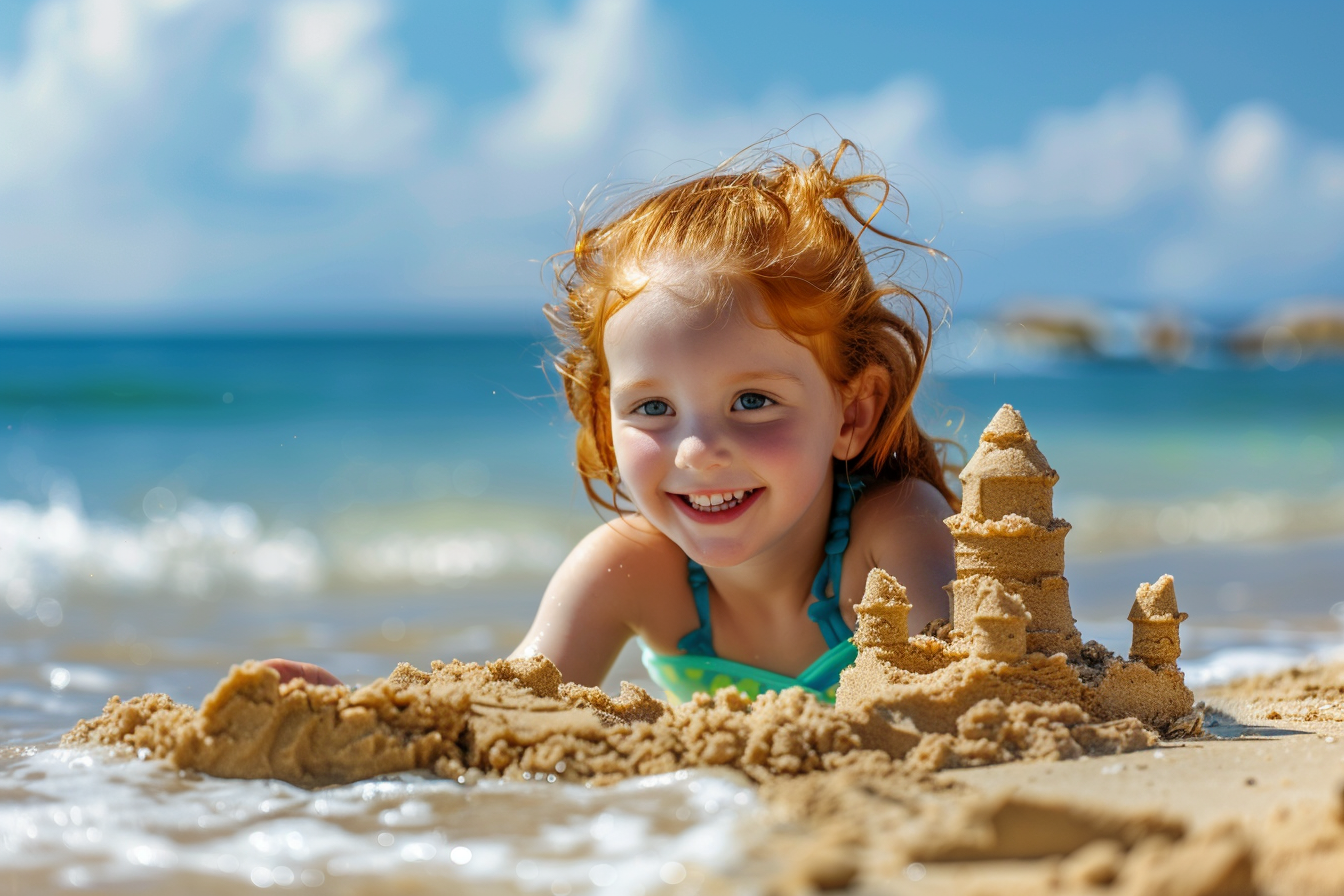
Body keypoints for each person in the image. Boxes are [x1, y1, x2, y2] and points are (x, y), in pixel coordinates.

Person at [267, 140, 959, 703]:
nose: (697, 449)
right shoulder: (627, 569)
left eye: (752, 401)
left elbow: (975, 695)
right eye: (653, 408)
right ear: (605, 419)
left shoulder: (895, 538)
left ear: (853, 412)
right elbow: (505, 705)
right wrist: (358, 711)